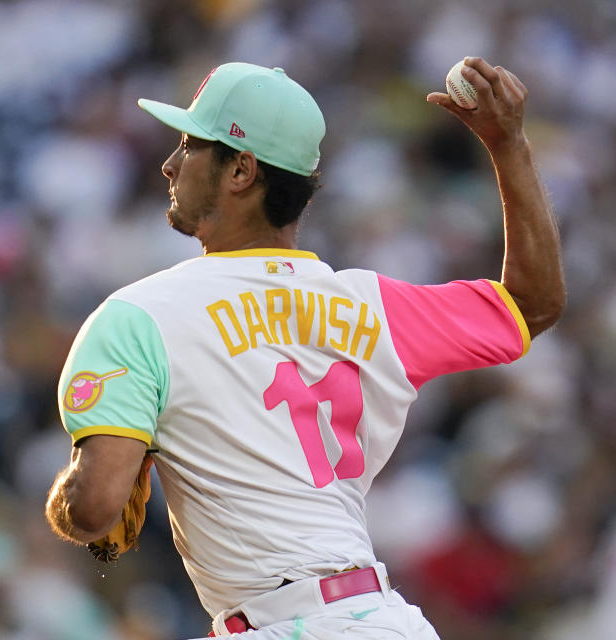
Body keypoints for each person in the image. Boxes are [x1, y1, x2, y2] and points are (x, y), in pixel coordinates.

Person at [45, 59, 564, 638]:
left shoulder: (138, 318)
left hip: (278, 624)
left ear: (241, 170)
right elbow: (533, 304)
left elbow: (95, 508)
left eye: (191, 144)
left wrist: (68, 496)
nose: (170, 164)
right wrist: (508, 145)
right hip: (385, 620)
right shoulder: (374, 306)